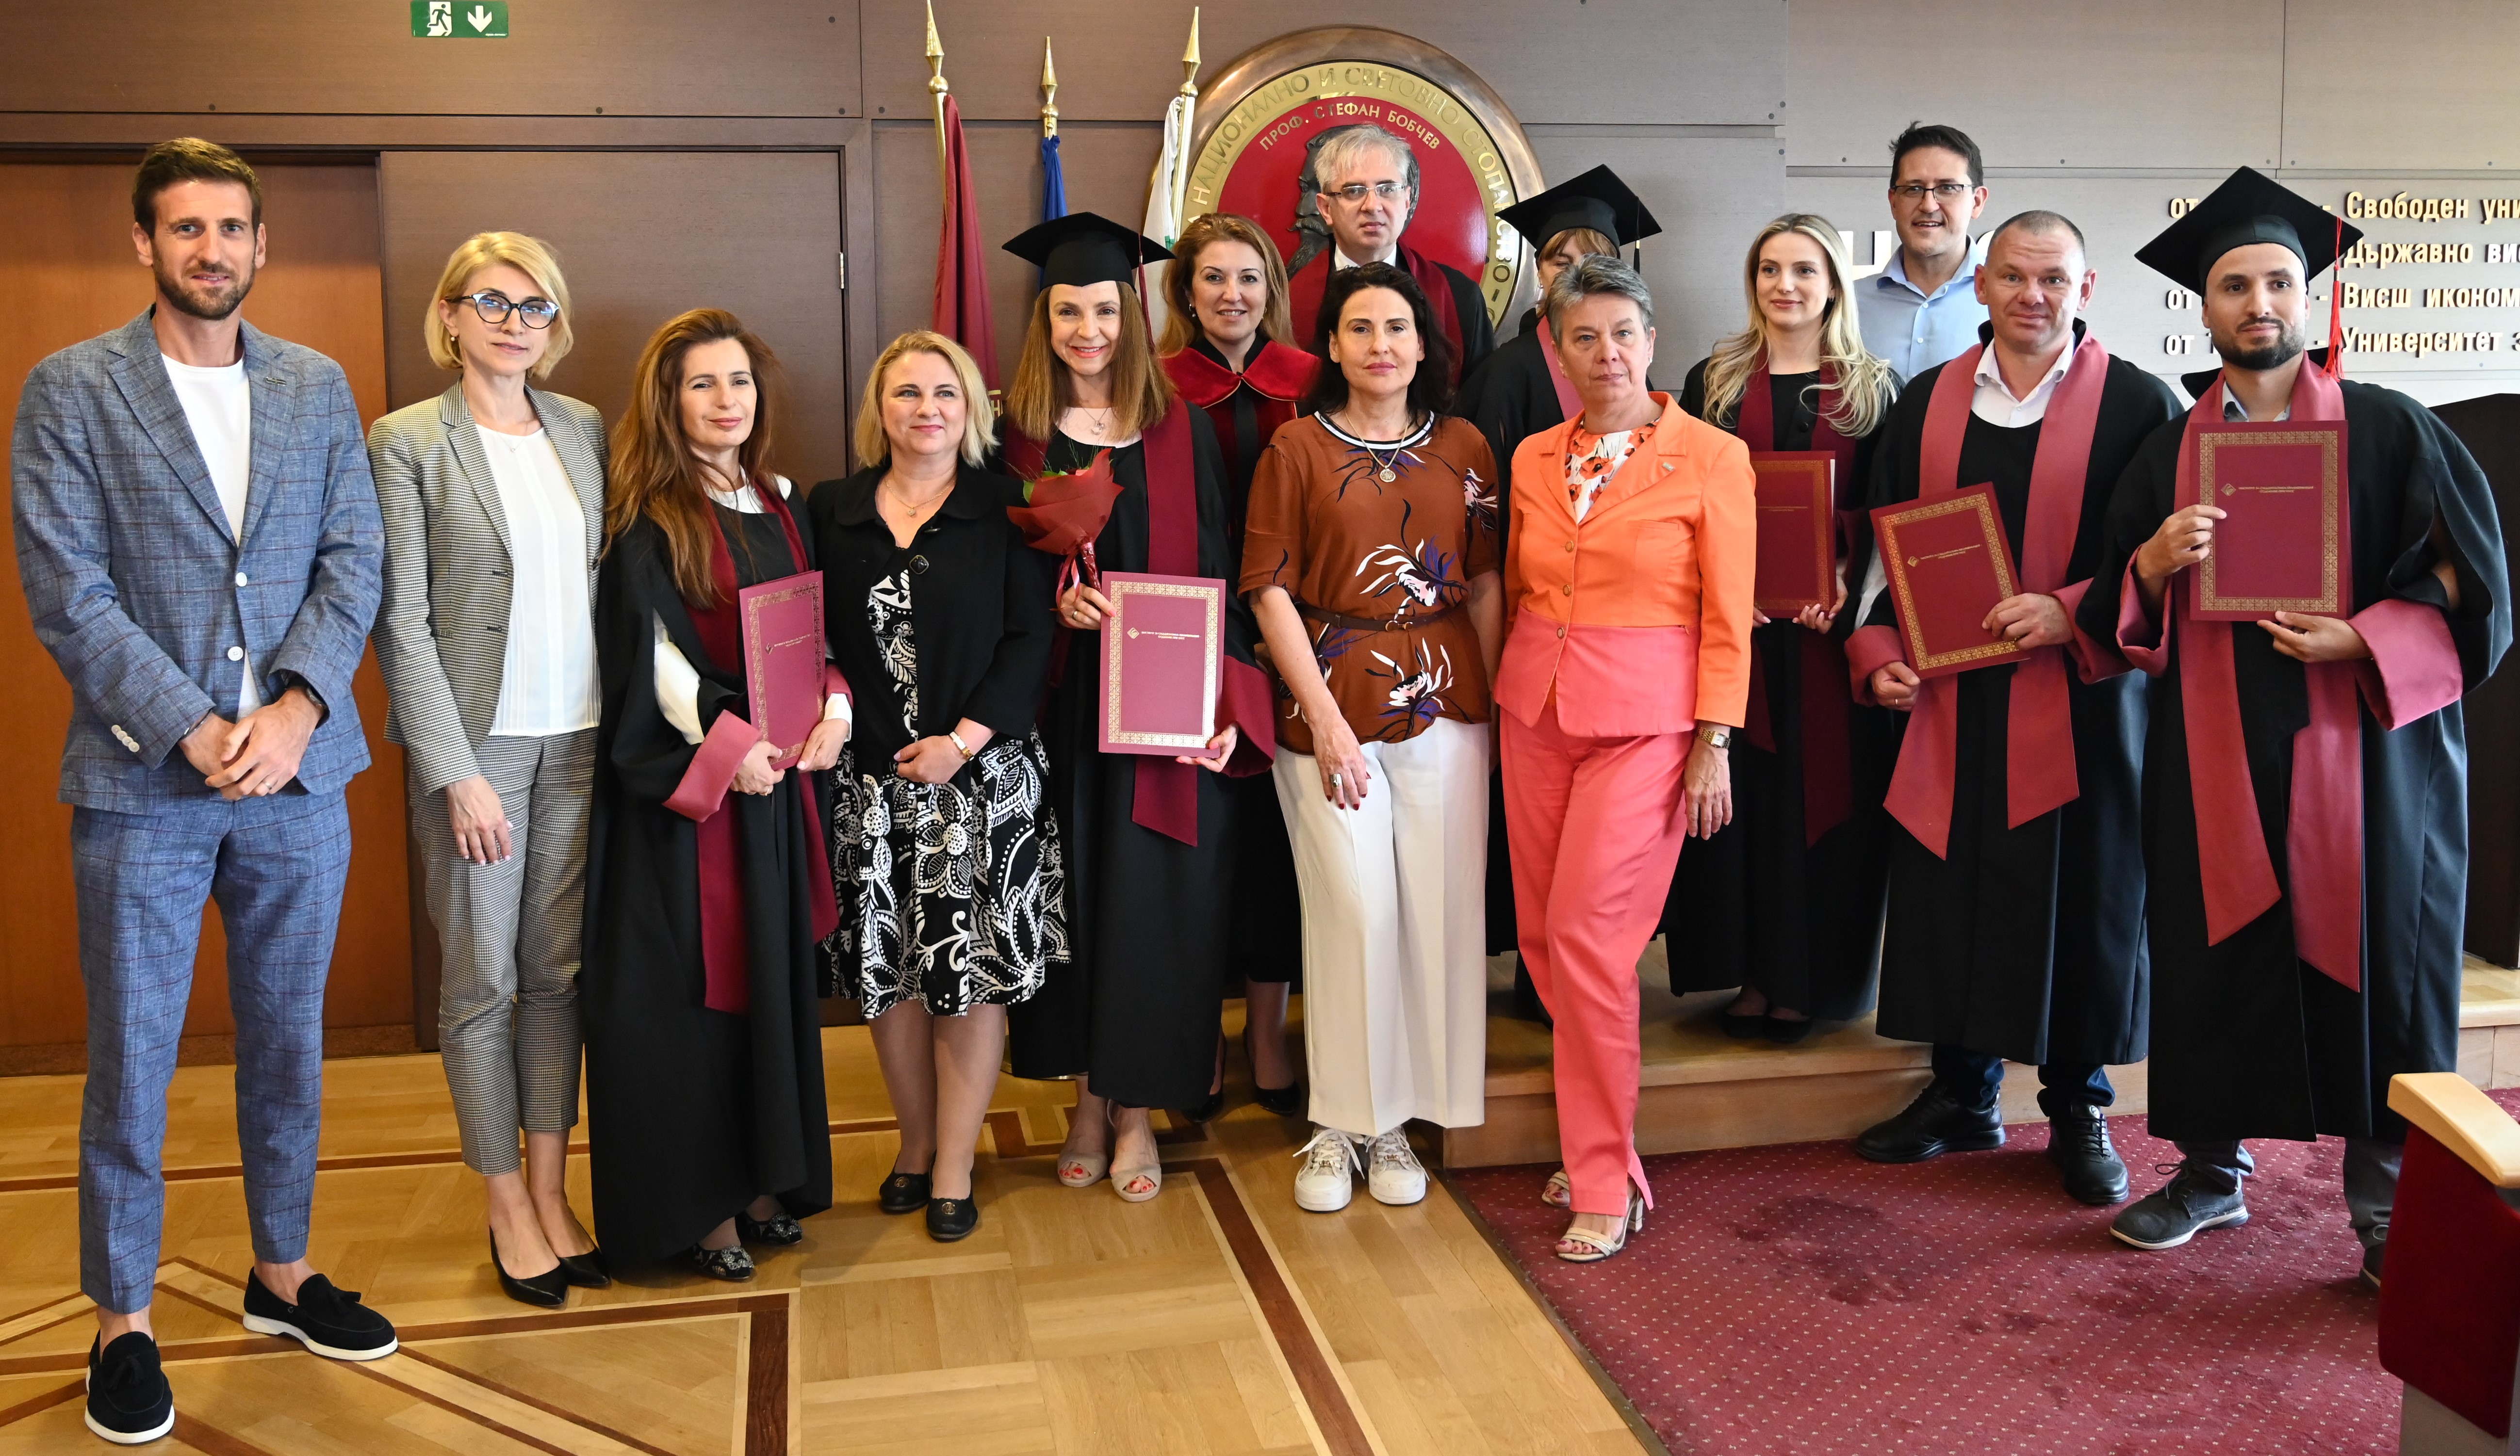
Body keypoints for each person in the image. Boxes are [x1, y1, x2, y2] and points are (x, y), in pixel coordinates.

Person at [12, 137, 395, 1444]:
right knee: (133, 1058)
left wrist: (296, 707)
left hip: (298, 778)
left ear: (261, 244)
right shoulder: (72, 389)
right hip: (143, 785)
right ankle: (123, 1319)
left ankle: (281, 1272)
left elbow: (354, 557)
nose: (212, 249)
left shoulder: (315, 385)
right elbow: (68, 590)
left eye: (233, 227)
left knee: (288, 1041)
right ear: (146, 243)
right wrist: (189, 726)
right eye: (187, 227)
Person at [2086, 168, 2509, 1280]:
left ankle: (2387, 1217)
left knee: (2381, 974)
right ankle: (2210, 1173)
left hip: (2367, 761)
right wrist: (2151, 561)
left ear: (2306, 295)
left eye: (2277, 281)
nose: (2258, 303)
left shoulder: (2392, 429)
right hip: (2212, 755)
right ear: (2205, 306)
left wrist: (2362, 637)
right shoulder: (2168, 452)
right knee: (2211, 956)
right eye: (2234, 286)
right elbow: (2107, 605)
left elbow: (2475, 588)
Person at [1845, 212, 2181, 1208]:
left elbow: (2160, 561)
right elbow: (1882, 555)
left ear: (2084, 290)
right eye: (2012, 277)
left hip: (2081, 701)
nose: (2032, 296)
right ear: (1980, 285)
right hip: (1955, 698)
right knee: (1955, 893)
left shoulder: (2137, 405)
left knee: (2083, 900)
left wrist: (2069, 608)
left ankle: (2076, 1107)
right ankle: (1962, 1092)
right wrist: (1878, 655)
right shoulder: (1925, 403)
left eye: (2053, 279)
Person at [995, 213, 1276, 1203]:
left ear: (1133, 313)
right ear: (1044, 322)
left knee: (1156, 909)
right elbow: (986, 581)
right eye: (1068, 312)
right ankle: (1086, 1099)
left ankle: (1135, 1108)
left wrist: (1227, 697)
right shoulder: (1014, 437)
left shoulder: (1178, 427)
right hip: (1059, 711)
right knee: (1070, 904)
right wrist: (1054, 603)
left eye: (1106, 310)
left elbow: (1217, 573)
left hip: (1161, 713)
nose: (1088, 330)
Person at [1497, 255, 1755, 1262]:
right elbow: (1519, 587)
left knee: (1592, 943)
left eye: (1621, 333)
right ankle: (1594, 1137)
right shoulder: (1530, 456)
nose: (1604, 353)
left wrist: (1712, 740)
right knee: (1542, 941)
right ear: (1555, 351)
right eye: (1583, 337)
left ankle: (1605, 1176)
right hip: (1534, 712)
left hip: (1649, 725)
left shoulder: (1710, 456)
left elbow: (1727, 614)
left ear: (1650, 340)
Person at [582, 309, 849, 1280]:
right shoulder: (647, 517)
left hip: (772, 792)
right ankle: (703, 1209)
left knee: (767, 990)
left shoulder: (781, 501)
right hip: (689, 802)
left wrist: (834, 710)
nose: (726, 399)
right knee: (691, 1003)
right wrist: (731, 749)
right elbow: (651, 659)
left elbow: (811, 636)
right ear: (668, 400)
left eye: (738, 380)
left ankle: (764, 1178)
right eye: (702, 383)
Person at [369, 232, 609, 1309]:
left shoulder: (582, 427)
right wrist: (452, 769)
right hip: (480, 750)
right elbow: (402, 622)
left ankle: (553, 1190)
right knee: (481, 983)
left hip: (582, 741)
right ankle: (505, 1200)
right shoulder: (406, 441)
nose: (516, 323)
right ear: (451, 316)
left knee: (557, 976)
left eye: (536, 306)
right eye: (493, 303)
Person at [1243, 261, 1502, 1213]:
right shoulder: (1295, 447)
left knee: (1435, 911)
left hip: (1448, 700)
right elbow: (1267, 589)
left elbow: (1485, 582)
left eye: (1397, 328)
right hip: (1329, 700)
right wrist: (1323, 719)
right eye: (1360, 328)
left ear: (1423, 345)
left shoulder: (1466, 445)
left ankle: (1397, 1121)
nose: (1380, 345)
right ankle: (1339, 1121)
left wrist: (1498, 713)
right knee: (1353, 911)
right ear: (1332, 344)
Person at [811, 331, 1064, 1244]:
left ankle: (956, 1160)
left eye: (945, 393)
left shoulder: (1009, 509)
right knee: (892, 976)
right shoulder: (831, 509)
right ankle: (914, 1145)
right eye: (907, 393)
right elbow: (812, 640)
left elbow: (1030, 640)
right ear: (878, 409)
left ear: (971, 410)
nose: (926, 409)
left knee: (971, 973)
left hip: (979, 780)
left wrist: (961, 741)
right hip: (872, 787)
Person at [1662, 215, 1902, 1043]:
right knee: (1751, 799)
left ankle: (1808, 983)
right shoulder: (1715, 381)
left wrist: (1843, 571)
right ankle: (1754, 975)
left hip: (1828, 634)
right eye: (1769, 269)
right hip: (1739, 630)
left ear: (1833, 283)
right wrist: (1726, 585)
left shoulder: (1873, 388)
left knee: (1820, 800)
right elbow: (1684, 498)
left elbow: (1887, 505)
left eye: (1803, 270)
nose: (1784, 285)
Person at [1455, 169, 1663, 1021]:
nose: (1573, 268)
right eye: (1555, 257)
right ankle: (1541, 982)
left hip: (1625, 662)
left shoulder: (1649, 395)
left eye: (1592, 252)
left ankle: (1590, 988)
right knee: (1538, 838)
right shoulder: (1504, 373)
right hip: (1534, 640)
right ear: (1535, 273)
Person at [1157, 211, 1317, 1116]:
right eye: (1213, 278)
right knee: (1204, 846)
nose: (1231, 294)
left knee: (1275, 851)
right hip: (1199, 638)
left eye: (1248, 277)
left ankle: (1267, 1033)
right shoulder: (1158, 389)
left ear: (1270, 290)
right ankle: (1199, 1036)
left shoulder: (1310, 382)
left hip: (1295, 640)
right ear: (1185, 293)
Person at [1285, 123, 1495, 385]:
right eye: (1354, 191)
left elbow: (1479, 398)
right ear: (1326, 209)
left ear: (1407, 201)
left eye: (1387, 189)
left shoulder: (1460, 297)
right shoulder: (1284, 300)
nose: (1373, 206)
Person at [1858, 123, 1992, 379]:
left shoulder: (2009, 302)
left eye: (1947, 188)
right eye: (1914, 189)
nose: (1929, 205)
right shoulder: (1847, 305)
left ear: (1977, 202)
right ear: (1894, 202)